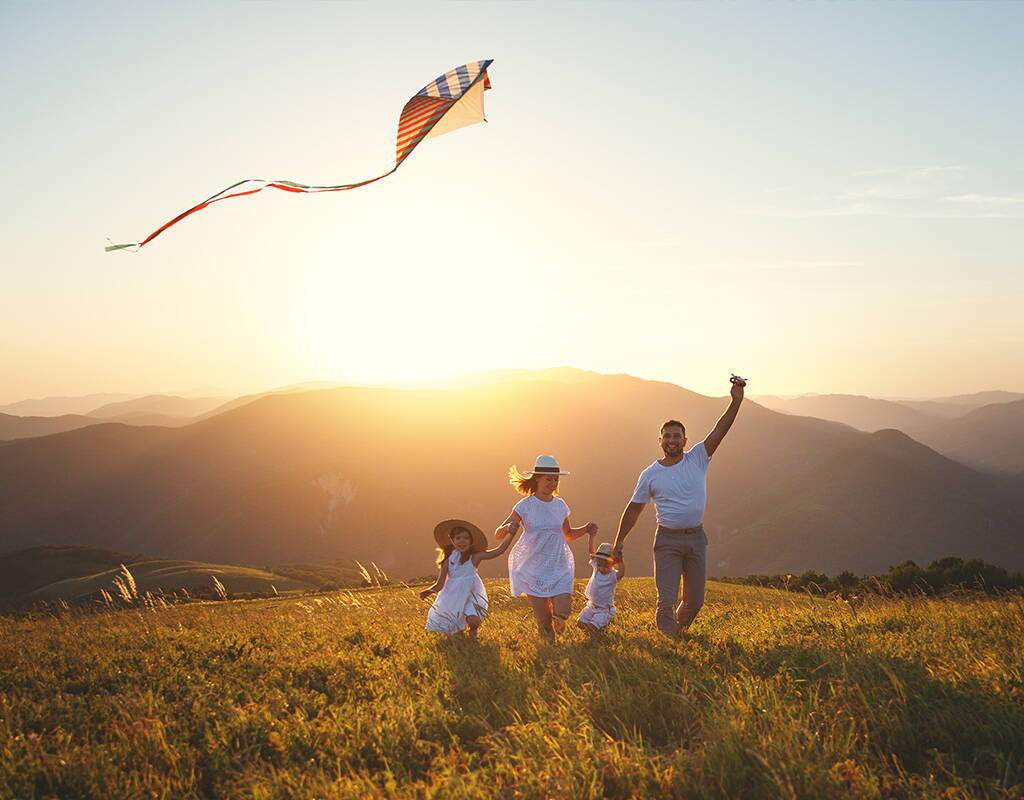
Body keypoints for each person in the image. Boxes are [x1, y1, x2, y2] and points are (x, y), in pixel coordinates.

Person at [612, 375, 746, 635]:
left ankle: (675, 632)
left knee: (695, 602)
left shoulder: (697, 457)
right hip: (667, 541)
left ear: (685, 441)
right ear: (660, 441)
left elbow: (720, 430)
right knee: (667, 600)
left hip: (696, 539)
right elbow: (633, 509)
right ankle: (669, 641)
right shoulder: (650, 474)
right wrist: (619, 541)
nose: (672, 440)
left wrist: (736, 402)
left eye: (677, 436)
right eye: (667, 436)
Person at [496, 455, 598, 641]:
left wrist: (585, 529)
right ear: (537, 479)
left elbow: (567, 534)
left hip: (559, 564)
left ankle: (558, 621)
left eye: (555, 479)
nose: (552, 483)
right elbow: (498, 534)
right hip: (533, 566)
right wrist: (507, 528)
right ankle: (550, 654)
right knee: (543, 621)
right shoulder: (524, 505)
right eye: (548, 479)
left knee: (563, 611)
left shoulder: (560, 505)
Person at [421, 518, 518, 637]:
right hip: (453, 595)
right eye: (458, 538)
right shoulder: (447, 561)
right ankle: (459, 634)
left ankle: (473, 631)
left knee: (474, 619)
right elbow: (439, 584)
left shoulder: (475, 557)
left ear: (471, 541)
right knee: (454, 624)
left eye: (466, 538)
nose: (462, 541)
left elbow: (499, 551)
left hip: (472, 593)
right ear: (452, 540)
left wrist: (510, 534)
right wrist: (429, 591)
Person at [576, 541, 625, 634]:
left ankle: (599, 624)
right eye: (599, 565)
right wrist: (591, 537)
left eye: (606, 566)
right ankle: (598, 626)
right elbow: (591, 552)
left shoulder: (612, 576)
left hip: (604, 610)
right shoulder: (596, 569)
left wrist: (621, 561)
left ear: (613, 564)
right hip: (591, 606)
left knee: (591, 629)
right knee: (580, 624)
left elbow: (621, 573)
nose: (602, 568)